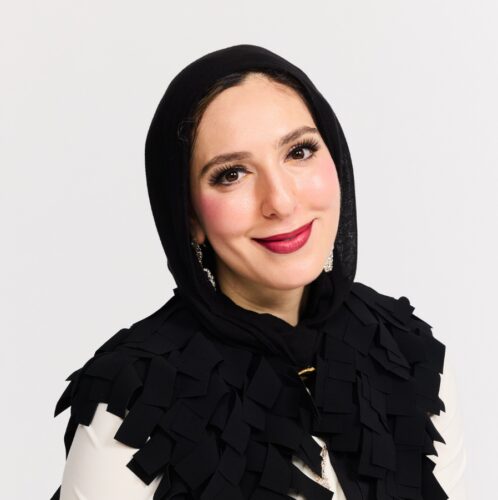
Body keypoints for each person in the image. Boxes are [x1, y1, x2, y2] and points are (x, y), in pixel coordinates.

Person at [50, 44, 467, 499]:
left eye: (299, 151)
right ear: (189, 216)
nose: (280, 202)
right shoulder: (132, 401)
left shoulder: (405, 352)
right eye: (232, 174)